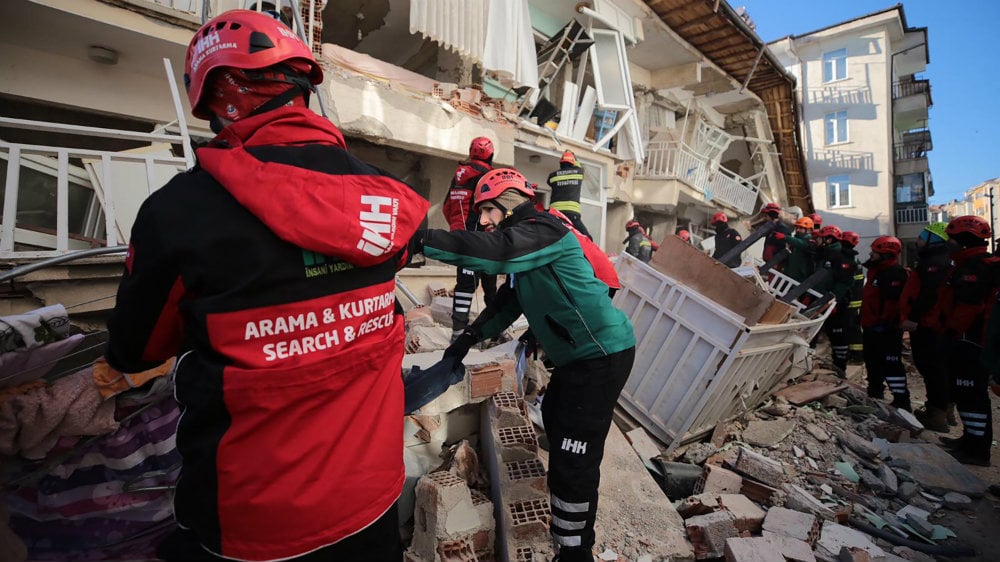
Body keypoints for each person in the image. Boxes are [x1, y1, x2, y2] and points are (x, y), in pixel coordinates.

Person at [105, 11, 429, 561]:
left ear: (221, 95)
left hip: (253, 521)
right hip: (374, 498)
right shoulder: (392, 200)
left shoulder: (181, 212)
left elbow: (134, 351)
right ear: (302, 88)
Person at [414, 168, 635, 562]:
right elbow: (507, 303)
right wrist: (464, 342)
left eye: (488, 211)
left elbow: (495, 253)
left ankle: (574, 551)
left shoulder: (541, 231)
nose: (482, 221)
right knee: (555, 415)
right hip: (578, 357)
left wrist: (421, 240)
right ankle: (570, 521)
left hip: (600, 356)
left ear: (510, 203)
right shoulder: (529, 244)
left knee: (574, 457)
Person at [935, 215, 1000, 466]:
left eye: (951, 238)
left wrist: (952, 332)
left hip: (970, 342)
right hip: (968, 340)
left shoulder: (974, 268)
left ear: (963, 240)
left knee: (971, 394)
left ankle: (977, 451)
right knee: (965, 393)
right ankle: (969, 439)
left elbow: (968, 307)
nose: (948, 242)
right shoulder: (969, 263)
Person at [899, 223, 953, 431]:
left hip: (928, 324)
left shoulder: (934, 263)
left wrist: (912, 317)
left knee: (932, 368)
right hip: (929, 323)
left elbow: (929, 295)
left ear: (933, 239)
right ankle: (942, 409)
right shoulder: (933, 260)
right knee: (934, 369)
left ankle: (937, 414)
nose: (919, 240)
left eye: (922, 236)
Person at [443, 136, 498, 340]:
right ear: (490, 155)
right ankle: (490, 332)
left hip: (460, 237)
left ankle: (460, 331)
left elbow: (446, 207)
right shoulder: (488, 176)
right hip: (480, 238)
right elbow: (491, 208)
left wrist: (457, 229)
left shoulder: (458, 175)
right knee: (488, 285)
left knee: (467, 283)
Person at [861, 236, 910, 410]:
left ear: (885, 254)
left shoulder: (895, 273)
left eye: (874, 252)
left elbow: (893, 303)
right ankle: (875, 393)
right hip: (871, 325)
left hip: (886, 328)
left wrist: (884, 322)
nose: (870, 254)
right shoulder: (876, 270)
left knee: (891, 364)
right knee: (872, 362)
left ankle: (902, 401)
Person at [547, 150, 591, 238]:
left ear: (561, 163)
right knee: (586, 237)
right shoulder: (579, 172)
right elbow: (579, 166)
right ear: (573, 162)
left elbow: (549, 182)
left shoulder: (553, 175)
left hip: (555, 213)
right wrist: (574, 158)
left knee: (554, 236)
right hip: (572, 213)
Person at [840, 231, 865, 363]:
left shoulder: (849, 261)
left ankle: (858, 356)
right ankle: (856, 354)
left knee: (852, 328)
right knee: (852, 328)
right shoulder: (856, 261)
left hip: (850, 301)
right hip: (855, 301)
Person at [778, 216, 815, 283]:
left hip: (799, 278)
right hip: (788, 275)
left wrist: (785, 237)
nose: (797, 230)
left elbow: (803, 244)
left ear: (809, 230)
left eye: (800, 228)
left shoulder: (810, 242)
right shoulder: (794, 241)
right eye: (797, 228)